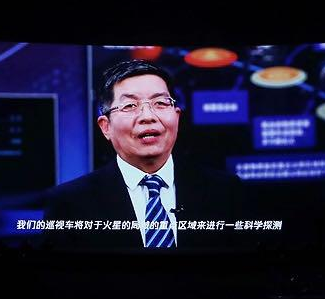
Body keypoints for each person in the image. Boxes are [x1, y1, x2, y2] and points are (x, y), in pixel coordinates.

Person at [43, 59, 248, 249]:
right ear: (106, 126)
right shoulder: (68, 203)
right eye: (130, 105)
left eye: (160, 103)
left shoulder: (226, 191)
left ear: (177, 117)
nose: (148, 116)